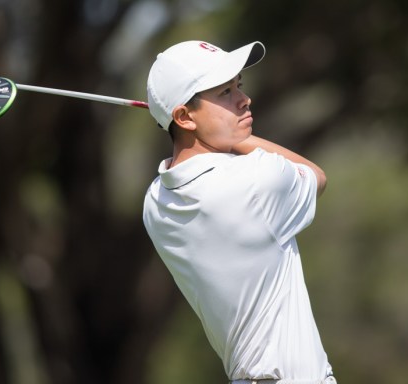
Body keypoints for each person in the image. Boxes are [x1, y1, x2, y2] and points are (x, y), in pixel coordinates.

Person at [142, 40, 335, 384]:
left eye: (238, 86)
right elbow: (317, 177)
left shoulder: (155, 203)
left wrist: (207, 130)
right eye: (225, 92)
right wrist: (239, 139)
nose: (244, 100)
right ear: (184, 116)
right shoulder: (257, 181)